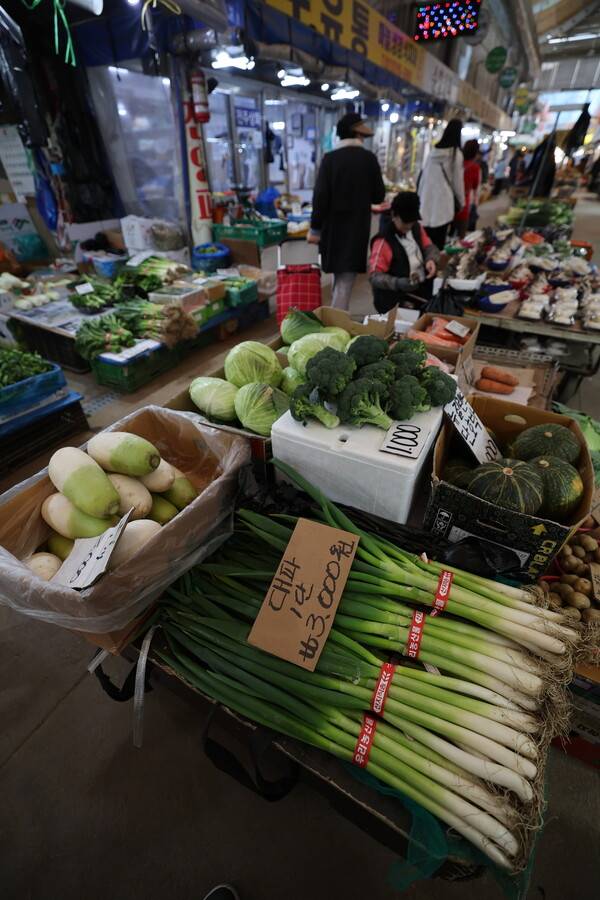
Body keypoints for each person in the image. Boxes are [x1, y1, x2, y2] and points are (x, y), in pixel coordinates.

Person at [308, 112, 385, 310]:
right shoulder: (369, 159)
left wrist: (315, 228)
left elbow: (320, 197)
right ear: (358, 135)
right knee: (345, 281)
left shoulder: (330, 159)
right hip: (356, 229)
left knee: (339, 278)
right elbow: (378, 196)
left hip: (332, 230)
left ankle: (335, 322)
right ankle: (337, 325)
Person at [368, 191, 439, 313]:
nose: (409, 226)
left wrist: (431, 259)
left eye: (412, 221)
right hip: (395, 301)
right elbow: (374, 276)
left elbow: (429, 247)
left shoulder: (416, 228)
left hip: (418, 293)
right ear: (394, 215)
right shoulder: (383, 241)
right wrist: (397, 283)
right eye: (405, 222)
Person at [417, 118, 465, 251]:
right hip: (443, 207)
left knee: (424, 243)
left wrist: (419, 198)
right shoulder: (455, 155)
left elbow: (423, 179)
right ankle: (434, 268)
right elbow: (458, 182)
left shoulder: (433, 152)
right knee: (438, 244)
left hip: (426, 205)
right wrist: (461, 202)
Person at [454, 139, 481, 238]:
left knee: (446, 235)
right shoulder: (475, 167)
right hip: (463, 206)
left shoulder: (457, 163)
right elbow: (475, 187)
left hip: (450, 204)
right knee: (461, 238)